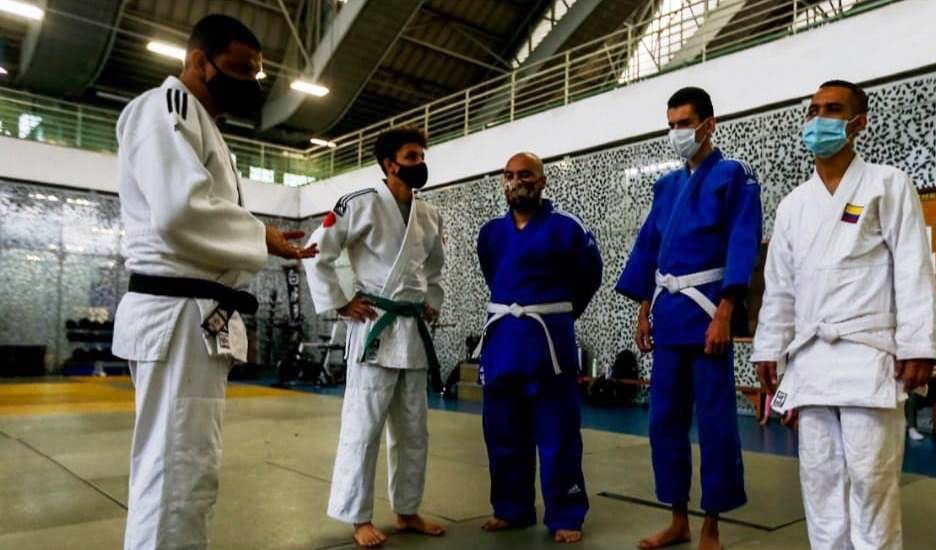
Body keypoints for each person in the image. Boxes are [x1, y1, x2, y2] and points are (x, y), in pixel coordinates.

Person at [111, 14, 316, 550]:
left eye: (256, 73)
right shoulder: (166, 108)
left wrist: (259, 237)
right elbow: (179, 212)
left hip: (192, 315)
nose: (251, 82)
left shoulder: (202, 125)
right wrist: (260, 236)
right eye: (240, 70)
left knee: (187, 467)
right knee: (175, 472)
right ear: (200, 62)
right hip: (177, 314)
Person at [752, 80, 936, 550]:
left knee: (871, 482)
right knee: (819, 483)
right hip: (811, 360)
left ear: (859, 123)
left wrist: (918, 344)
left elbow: (913, 267)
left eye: (832, 109)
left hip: (868, 355)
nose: (818, 118)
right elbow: (780, 288)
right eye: (813, 109)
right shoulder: (794, 205)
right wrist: (769, 349)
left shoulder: (888, 184)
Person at [616, 87, 762, 550]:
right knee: (664, 422)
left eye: (685, 123)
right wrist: (644, 309)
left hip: (707, 313)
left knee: (715, 423)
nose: (677, 132)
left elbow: (743, 241)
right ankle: (677, 519)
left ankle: (711, 525)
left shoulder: (733, 175)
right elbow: (649, 248)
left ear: (708, 124)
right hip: (669, 314)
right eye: (672, 124)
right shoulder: (666, 186)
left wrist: (726, 313)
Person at [302, 126, 446, 548]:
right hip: (375, 328)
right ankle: (358, 516)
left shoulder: (429, 214)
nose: (419, 163)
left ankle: (407, 510)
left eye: (422, 156)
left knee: (414, 430)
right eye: (411, 157)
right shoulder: (359, 203)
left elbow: (434, 267)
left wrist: (430, 300)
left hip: (412, 333)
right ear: (389, 164)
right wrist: (340, 302)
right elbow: (317, 252)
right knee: (363, 428)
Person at [473, 152, 603, 544]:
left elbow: (589, 276)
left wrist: (561, 312)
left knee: (558, 433)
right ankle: (510, 508)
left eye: (526, 174)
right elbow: (493, 275)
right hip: (503, 342)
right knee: (502, 432)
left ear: (543, 181)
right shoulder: (490, 234)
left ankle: (565, 513)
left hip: (549, 344)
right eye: (509, 175)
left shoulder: (567, 228)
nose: (517, 181)